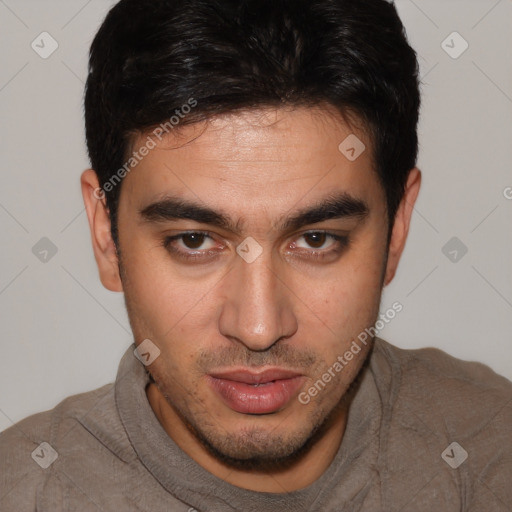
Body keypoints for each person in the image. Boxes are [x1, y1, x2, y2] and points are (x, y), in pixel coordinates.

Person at [1, 0, 511, 510]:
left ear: (396, 228)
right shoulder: (22, 491)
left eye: (316, 239)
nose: (259, 328)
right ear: (106, 236)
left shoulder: (493, 447)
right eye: (194, 241)